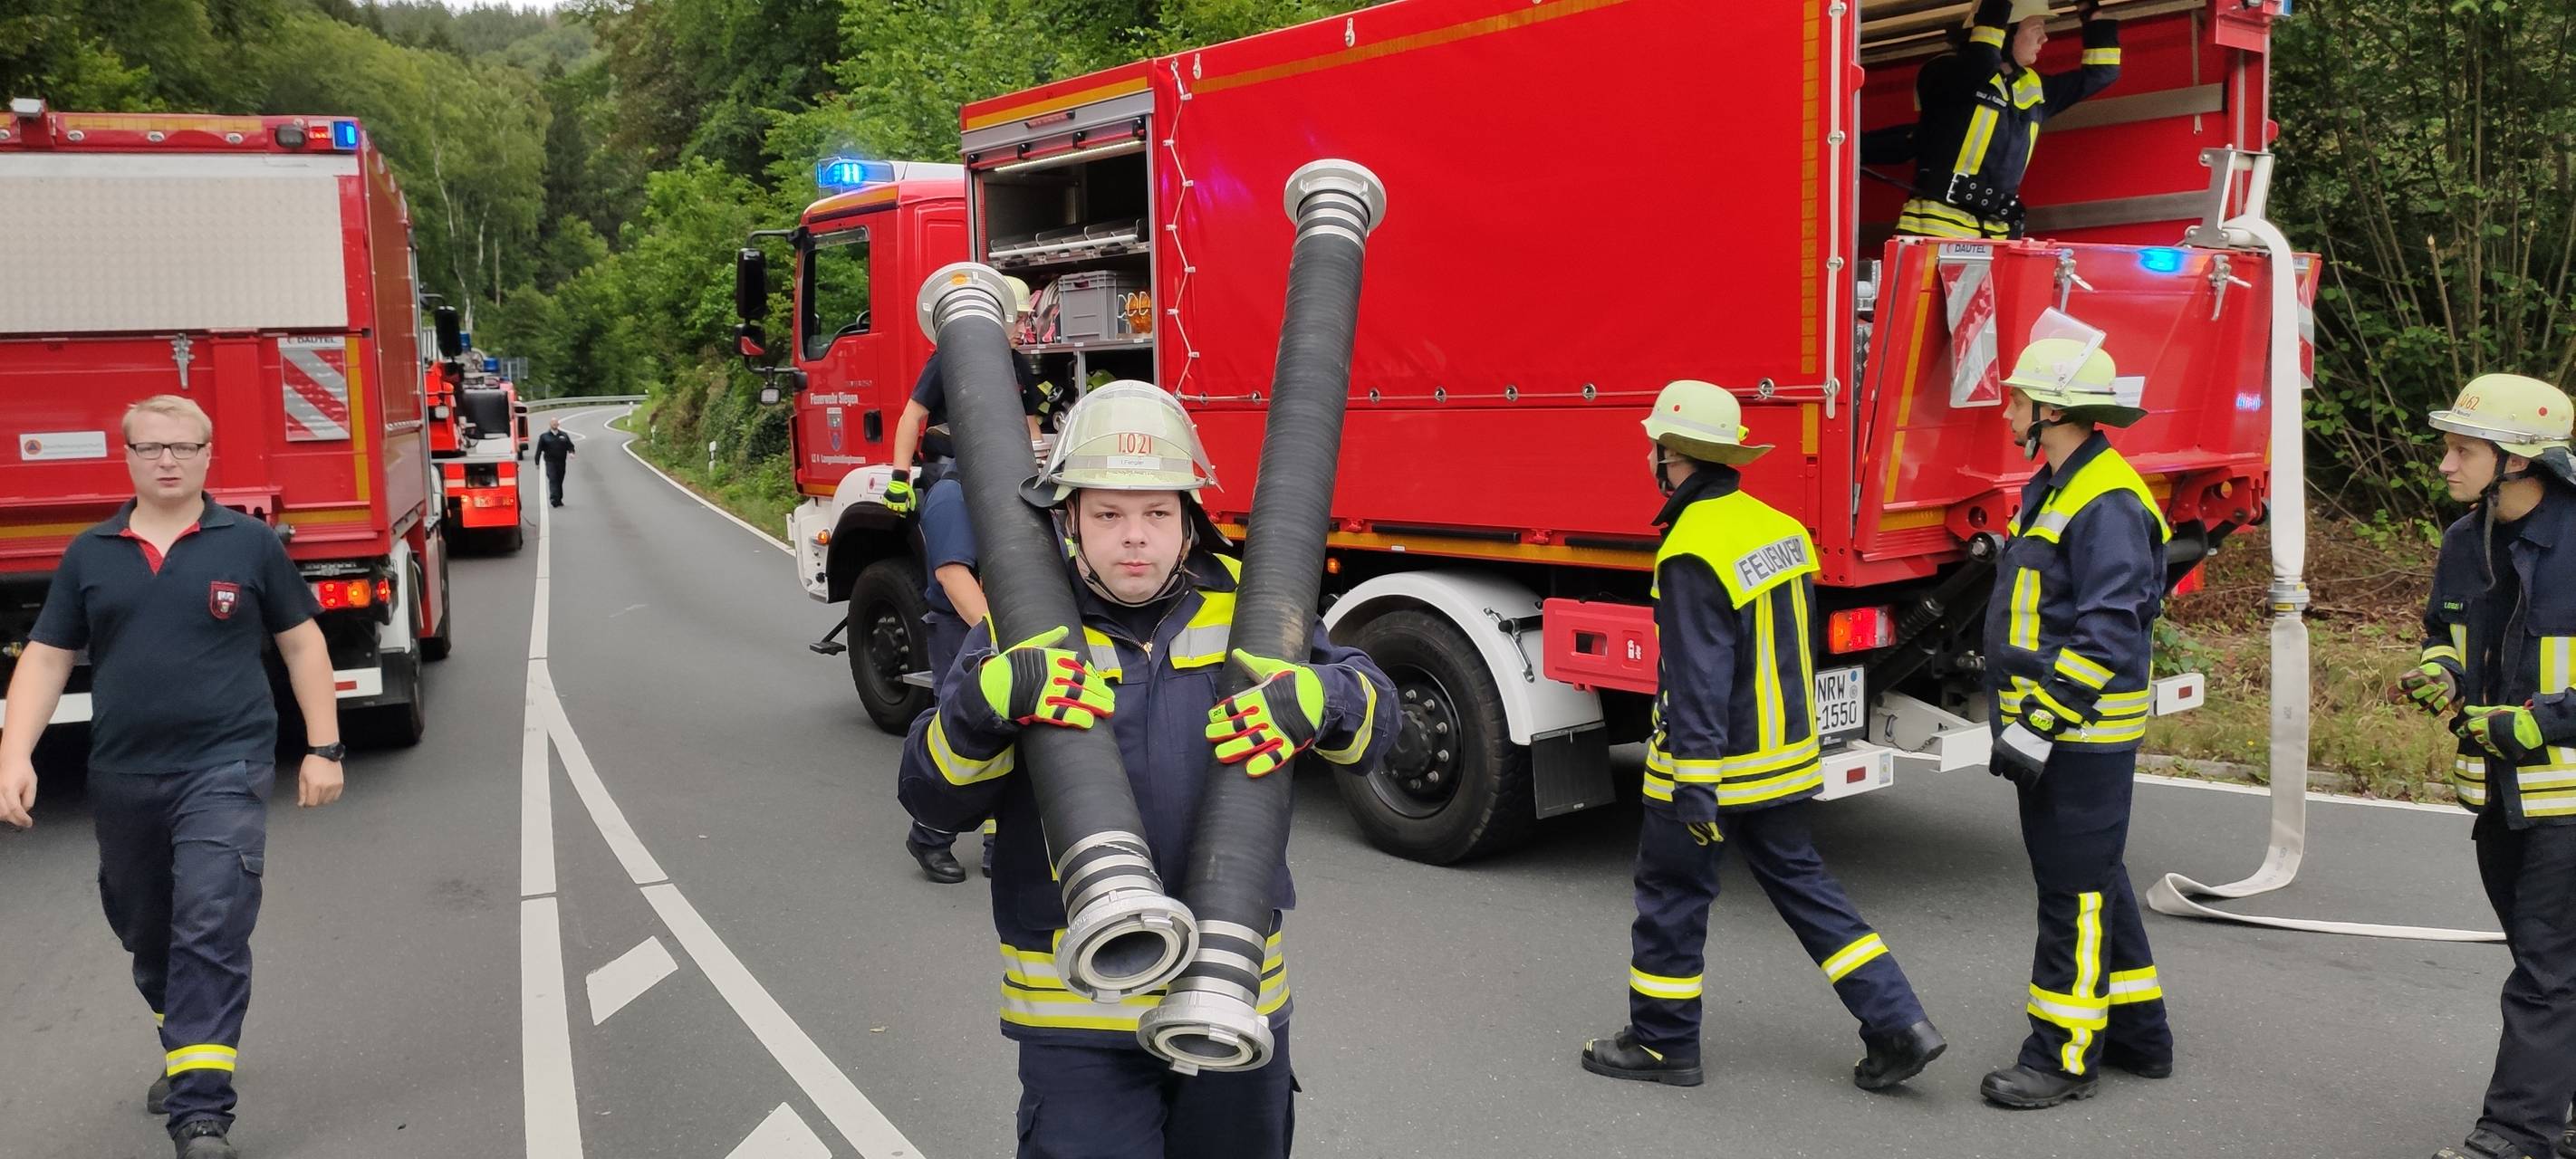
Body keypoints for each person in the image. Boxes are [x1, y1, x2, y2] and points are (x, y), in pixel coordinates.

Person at [898, 381, 1396, 1158]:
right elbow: (930, 794)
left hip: (1230, 996)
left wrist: (1323, 698)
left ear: (1188, 520)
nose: (1135, 537)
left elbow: (1376, 726)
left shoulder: (1251, 609)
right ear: (1068, 518)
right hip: (1079, 1014)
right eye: (1108, 514)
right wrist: (983, 704)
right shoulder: (1022, 627)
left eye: (1157, 513)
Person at [0, 395, 347, 1159]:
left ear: (206, 455)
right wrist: (14, 752)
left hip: (226, 765)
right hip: (123, 773)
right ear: (125, 455)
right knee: (146, 931)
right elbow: (48, 658)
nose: (168, 460)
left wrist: (324, 748)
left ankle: (200, 1114)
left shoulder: (250, 544)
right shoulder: (91, 552)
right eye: (152, 447)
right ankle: (182, 1034)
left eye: (184, 447)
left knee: (210, 923)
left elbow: (303, 645)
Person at [1580, 380, 1943, 1092]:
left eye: (1658, 447)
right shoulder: (1778, 528)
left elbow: (1698, 675)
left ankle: (1662, 1045)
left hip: (1715, 765)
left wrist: (1694, 782)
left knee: (1671, 902)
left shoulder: (1690, 547)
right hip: (1785, 758)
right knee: (1808, 890)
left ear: (1673, 455)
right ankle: (1899, 1023)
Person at [1976, 320, 2174, 1109]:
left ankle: (2061, 1055)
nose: (2006, 411)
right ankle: (2140, 1034)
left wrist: (2039, 723)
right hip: (2057, 726)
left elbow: (2106, 631)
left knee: (2074, 893)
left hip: (2079, 734)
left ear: (2051, 413)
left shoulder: (2107, 501)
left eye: (2015, 399)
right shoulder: (2061, 486)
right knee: (2093, 877)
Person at [2393, 374, 2576, 1159]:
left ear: (2520, 461)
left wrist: (2538, 724)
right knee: (2555, 970)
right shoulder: (2465, 543)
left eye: (2464, 449)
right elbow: (2443, 629)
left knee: (2544, 973)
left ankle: (2515, 1135)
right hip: (2499, 800)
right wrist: (2439, 670)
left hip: (2568, 802)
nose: (2445, 463)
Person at [1898, 0, 2121, 240]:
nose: (2044, 39)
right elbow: (1981, 62)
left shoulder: (2034, 88)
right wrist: (1995, 16)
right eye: (2036, 28)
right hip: (1936, 225)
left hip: (1998, 231)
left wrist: (2089, 9)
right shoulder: (1947, 71)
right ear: (2006, 32)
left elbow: (2102, 73)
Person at [882, 274, 1058, 512]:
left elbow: (1030, 428)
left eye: (1026, 320)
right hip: (946, 476)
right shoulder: (951, 357)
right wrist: (899, 479)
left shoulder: (1018, 365)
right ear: (996, 318)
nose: (1022, 329)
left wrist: (1037, 480)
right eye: (1017, 320)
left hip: (998, 477)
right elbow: (911, 417)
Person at [900, 475, 990, 884]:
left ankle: (998, 844)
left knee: (1016, 738)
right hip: (964, 629)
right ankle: (930, 836)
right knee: (963, 739)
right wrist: (998, 635)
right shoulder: (954, 493)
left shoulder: (1011, 485)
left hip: (1002, 625)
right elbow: (953, 576)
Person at [533, 417, 576, 507]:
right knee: (553, 479)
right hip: (550, 462)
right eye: (553, 423)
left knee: (559, 480)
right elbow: (539, 450)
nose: (555, 424)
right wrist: (537, 462)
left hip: (561, 462)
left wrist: (571, 452)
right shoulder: (544, 436)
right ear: (550, 424)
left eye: (556, 423)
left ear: (558, 424)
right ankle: (553, 499)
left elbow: (570, 446)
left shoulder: (563, 435)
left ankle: (559, 499)